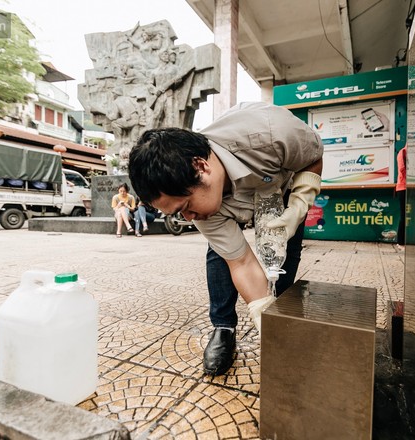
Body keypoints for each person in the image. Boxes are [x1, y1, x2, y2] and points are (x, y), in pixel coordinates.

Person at [129, 102, 323, 376]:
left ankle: (283, 316)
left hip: (282, 189)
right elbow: (241, 261)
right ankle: (224, 327)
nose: (189, 218)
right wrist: (261, 312)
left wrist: (300, 204)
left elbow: (313, 156)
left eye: (186, 206)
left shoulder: (271, 132)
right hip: (231, 200)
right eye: (178, 214)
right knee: (221, 252)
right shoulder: (200, 209)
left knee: (285, 253)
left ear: (201, 166)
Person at [396, 145, 407, 251]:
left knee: (405, 215)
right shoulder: (403, 152)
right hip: (403, 187)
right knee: (404, 215)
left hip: (405, 186)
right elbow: (403, 169)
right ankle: (400, 242)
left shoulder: (404, 152)